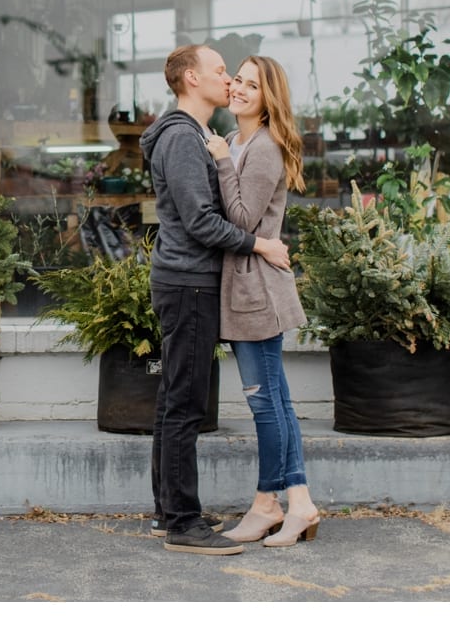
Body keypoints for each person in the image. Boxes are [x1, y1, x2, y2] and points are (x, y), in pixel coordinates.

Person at [139, 44, 292, 555]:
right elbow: (203, 221)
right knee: (184, 403)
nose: (229, 80)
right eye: (221, 71)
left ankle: (168, 513)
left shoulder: (199, 136)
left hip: (186, 281)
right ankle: (184, 522)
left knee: (174, 400)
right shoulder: (183, 138)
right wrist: (260, 243)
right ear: (190, 79)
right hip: (189, 283)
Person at [204, 55, 321, 548]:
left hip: (257, 295)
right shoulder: (234, 141)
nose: (239, 90)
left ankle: (265, 504)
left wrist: (222, 162)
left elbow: (245, 220)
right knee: (277, 402)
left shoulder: (262, 148)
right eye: (238, 81)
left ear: (268, 96)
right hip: (244, 289)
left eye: (252, 85)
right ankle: (300, 504)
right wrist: (224, 155)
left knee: (264, 406)